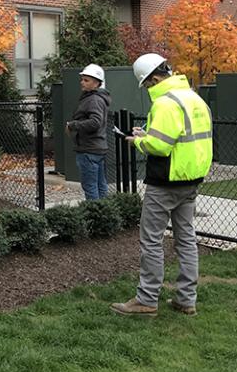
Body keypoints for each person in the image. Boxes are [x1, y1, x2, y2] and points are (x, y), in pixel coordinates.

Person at [111, 53, 212, 317]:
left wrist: (139, 142)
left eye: (146, 85)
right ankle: (186, 299)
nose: (147, 90)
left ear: (155, 79)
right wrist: (149, 135)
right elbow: (180, 138)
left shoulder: (165, 104)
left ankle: (146, 299)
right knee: (186, 240)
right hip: (190, 181)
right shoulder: (194, 99)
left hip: (165, 181)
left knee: (151, 241)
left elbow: (161, 146)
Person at [65, 64, 111, 200]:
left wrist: (73, 125)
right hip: (97, 148)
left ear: (96, 83)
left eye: (86, 80)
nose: (82, 82)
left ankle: (94, 217)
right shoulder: (98, 98)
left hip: (89, 150)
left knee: (90, 187)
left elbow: (95, 122)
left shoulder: (93, 100)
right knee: (100, 185)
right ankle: (104, 214)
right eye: (82, 79)